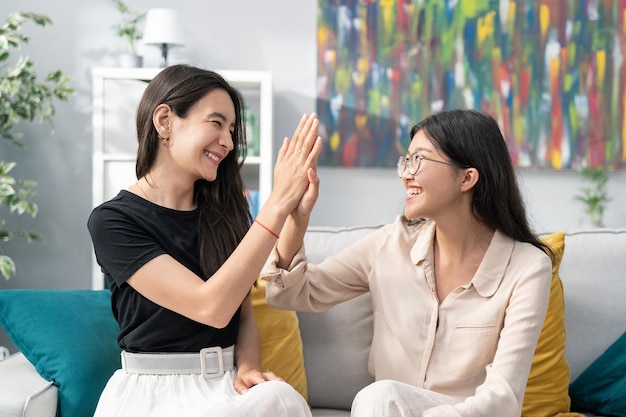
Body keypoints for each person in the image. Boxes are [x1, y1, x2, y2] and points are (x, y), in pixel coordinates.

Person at [261, 109, 555, 417]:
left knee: (381, 396)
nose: (405, 174)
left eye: (419, 160)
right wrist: (298, 216)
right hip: (386, 409)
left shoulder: (528, 267)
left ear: (467, 178)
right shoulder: (389, 245)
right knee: (381, 395)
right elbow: (288, 294)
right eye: (406, 160)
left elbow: (502, 398)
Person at [87, 64, 321, 417]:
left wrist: (248, 369)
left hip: (224, 387)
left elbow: (243, 319)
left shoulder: (224, 214)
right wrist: (276, 204)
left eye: (231, 130)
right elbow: (209, 307)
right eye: (216, 123)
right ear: (165, 121)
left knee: (282, 399)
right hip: (153, 395)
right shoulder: (113, 221)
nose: (227, 142)